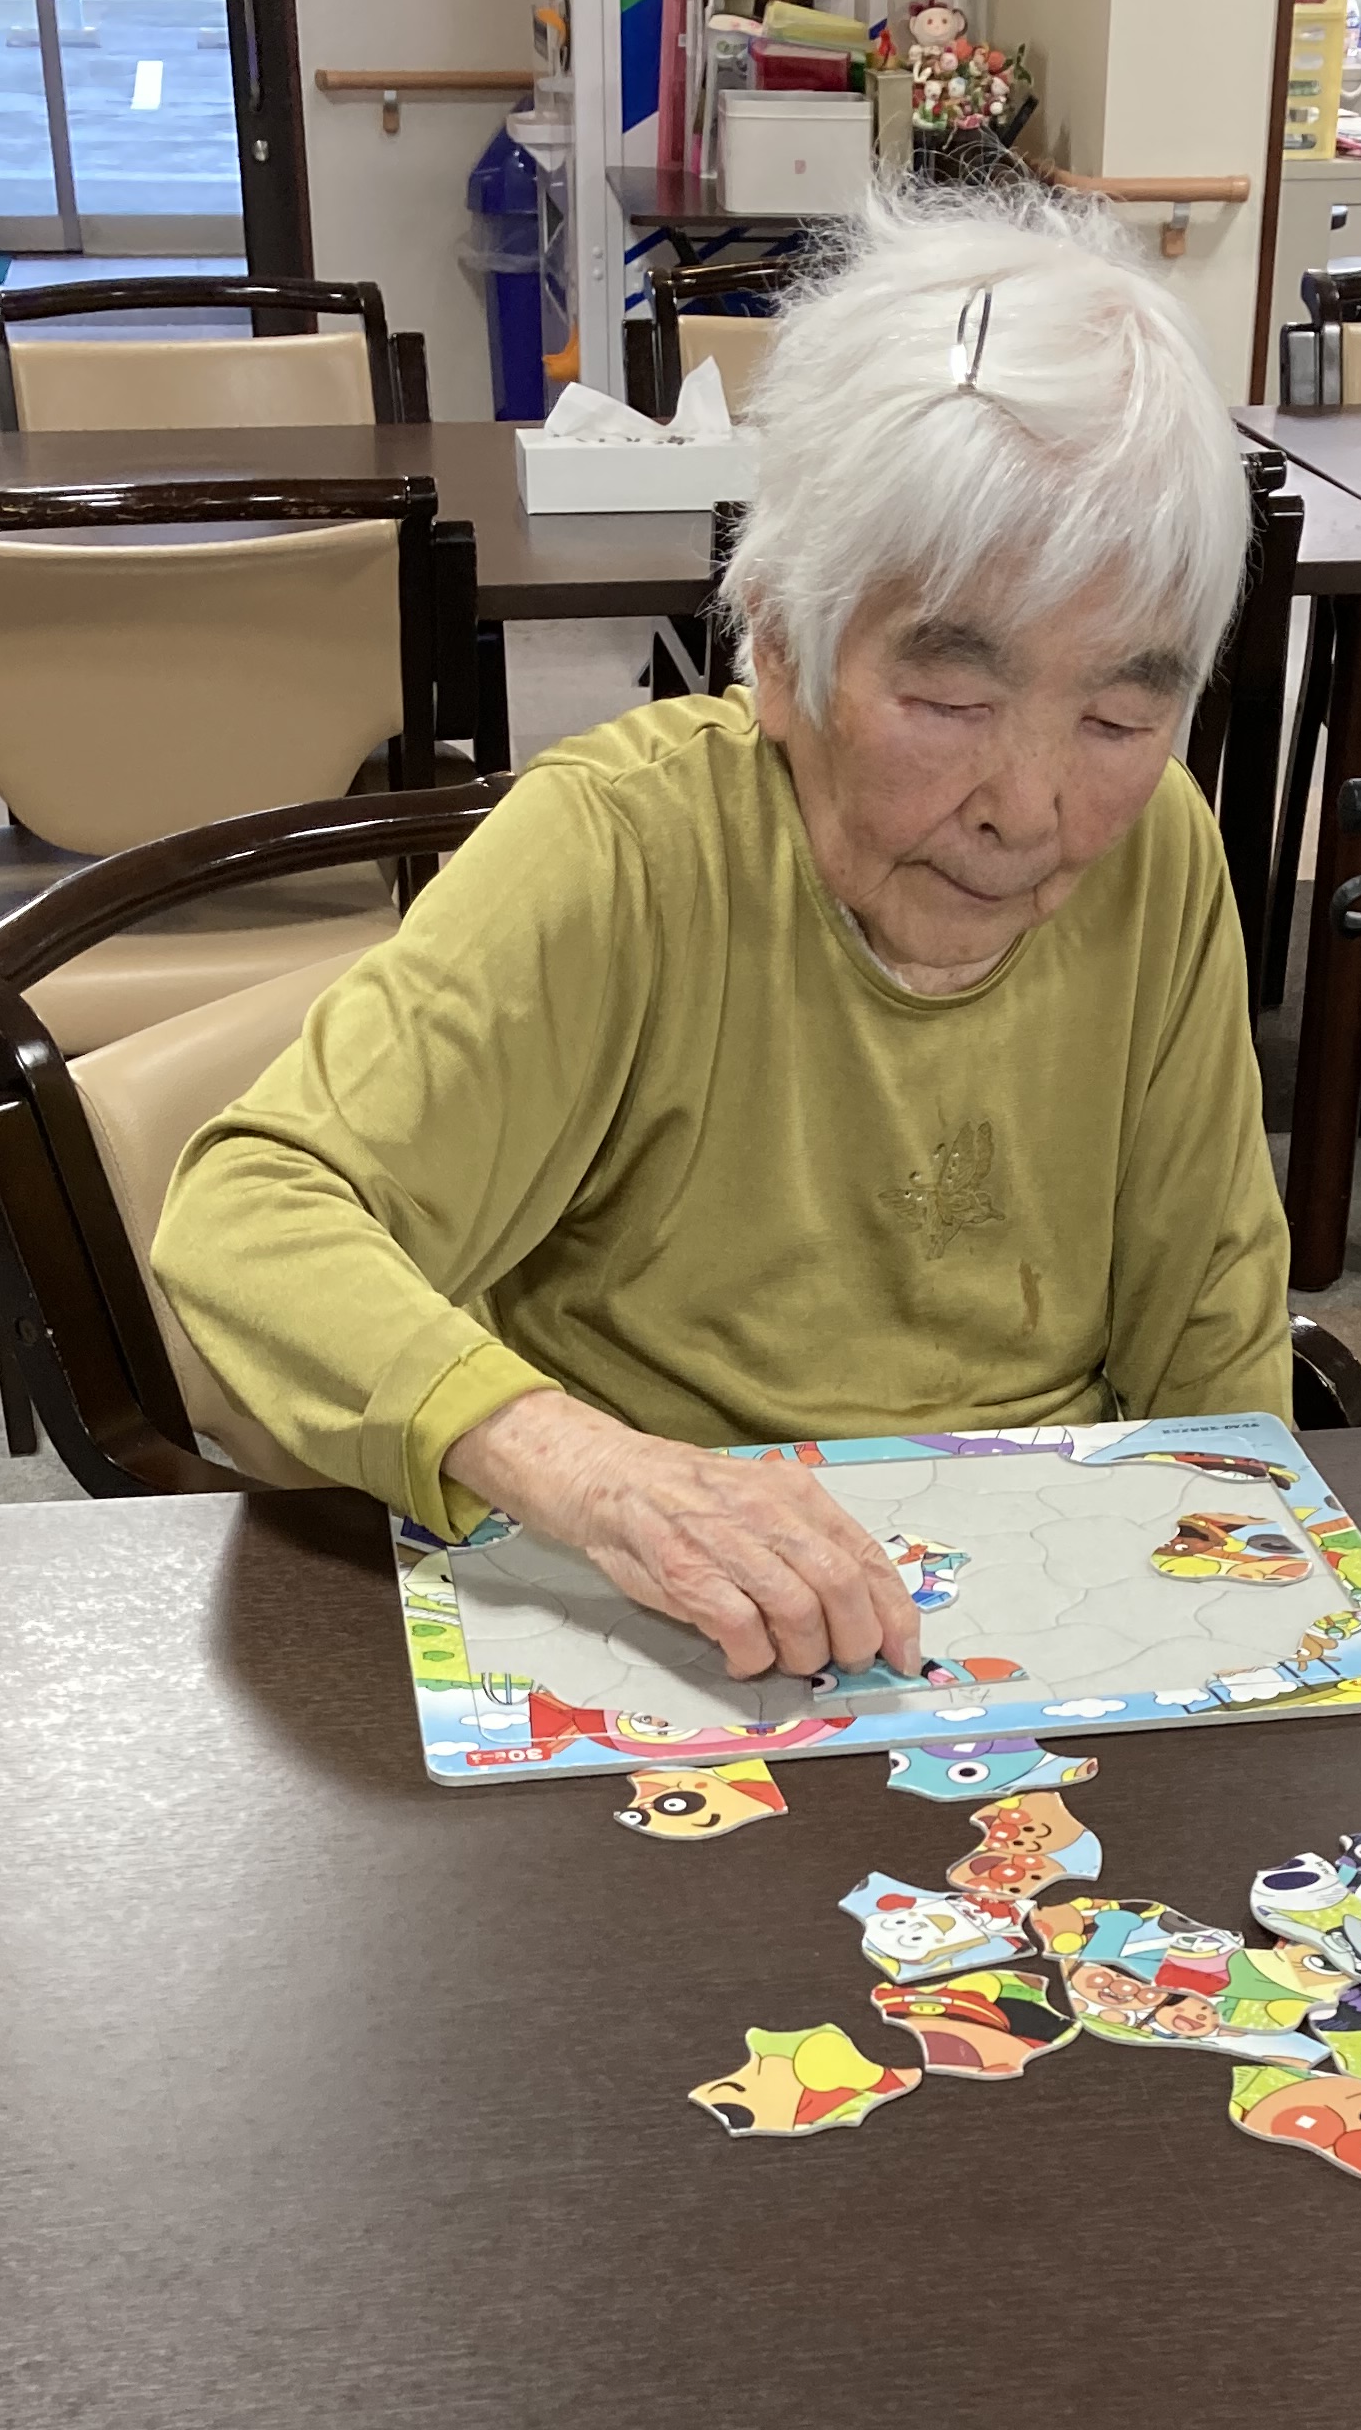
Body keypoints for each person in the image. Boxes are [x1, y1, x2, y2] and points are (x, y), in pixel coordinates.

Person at [154, 194, 1288, 1686]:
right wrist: (594, 1472)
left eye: (1121, 719)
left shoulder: (1160, 851)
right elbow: (245, 1217)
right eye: (950, 703)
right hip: (674, 1620)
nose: (1029, 811)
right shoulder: (627, 852)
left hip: (1035, 1601)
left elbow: (1212, 1325)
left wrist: (1252, 1642)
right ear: (778, 646)